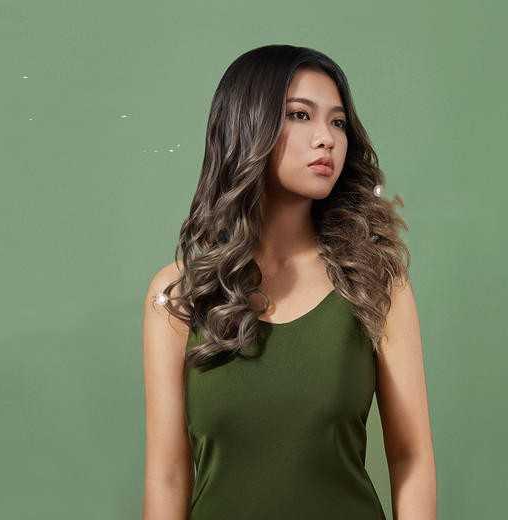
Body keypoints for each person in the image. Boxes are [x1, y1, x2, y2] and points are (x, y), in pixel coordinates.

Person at [141, 44, 437, 520]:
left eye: (338, 122)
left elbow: (412, 458)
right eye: (300, 115)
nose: (327, 139)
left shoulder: (375, 280)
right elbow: (168, 475)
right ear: (246, 127)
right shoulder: (178, 295)